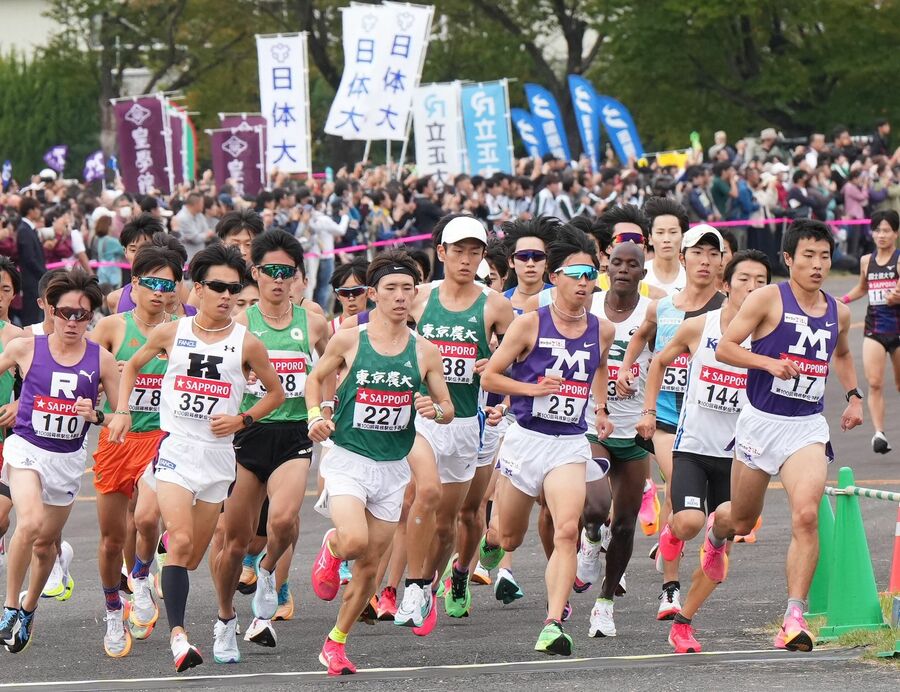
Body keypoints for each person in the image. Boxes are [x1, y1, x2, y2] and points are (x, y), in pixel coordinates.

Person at [108, 244, 284, 672]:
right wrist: (123, 409)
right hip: (176, 449)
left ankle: (223, 619)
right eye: (218, 287)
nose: (226, 296)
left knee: (192, 556)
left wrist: (242, 419)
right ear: (197, 289)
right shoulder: (172, 332)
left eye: (234, 288)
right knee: (181, 540)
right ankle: (179, 639)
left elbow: (276, 394)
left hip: (219, 458)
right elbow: (131, 367)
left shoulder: (248, 343)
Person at [708, 219, 864, 652]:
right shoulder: (767, 299)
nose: (818, 265)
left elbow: (842, 353)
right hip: (760, 423)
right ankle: (716, 531)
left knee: (807, 515)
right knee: (742, 519)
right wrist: (767, 363)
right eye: (808, 256)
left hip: (806, 427)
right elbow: (725, 347)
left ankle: (794, 617)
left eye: (825, 257)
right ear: (789, 259)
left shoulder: (839, 311)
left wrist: (853, 396)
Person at [306, 251, 453, 676]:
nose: (400, 296)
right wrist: (316, 416)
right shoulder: (349, 339)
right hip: (349, 457)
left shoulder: (425, 351)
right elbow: (315, 379)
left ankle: (336, 642)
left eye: (408, 288)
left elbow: (447, 407)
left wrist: (434, 410)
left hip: (392, 467)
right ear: (373, 294)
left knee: (370, 567)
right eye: (391, 288)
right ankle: (333, 548)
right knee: (354, 542)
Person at [479, 224, 614, 656]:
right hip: (525, 439)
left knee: (567, 529)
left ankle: (553, 623)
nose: (584, 283)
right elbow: (490, 376)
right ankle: (488, 544)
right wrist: (531, 389)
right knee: (508, 538)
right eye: (575, 274)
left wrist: (600, 409)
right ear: (555, 277)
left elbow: (599, 368)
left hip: (568, 443)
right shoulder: (528, 325)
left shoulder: (602, 329)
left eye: (590, 274)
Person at [636, 250, 771, 652]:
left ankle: (683, 624)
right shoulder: (699, 326)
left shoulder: (770, 337)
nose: (752, 288)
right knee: (689, 522)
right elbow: (658, 362)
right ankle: (673, 533)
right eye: (744, 279)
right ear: (725, 285)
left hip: (739, 457)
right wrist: (648, 411)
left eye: (761, 281)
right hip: (694, 447)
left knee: (729, 533)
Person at [212, 230, 328, 663]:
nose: (278, 280)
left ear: (297, 276)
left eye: (287, 272)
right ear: (255, 273)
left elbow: (330, 368)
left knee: (283, 520)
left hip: (294, 432)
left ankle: (266, 573)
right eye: (270, 271)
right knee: (234, 542)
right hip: (248, 434)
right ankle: (225, 619)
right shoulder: (240, 325)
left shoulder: (313, 322)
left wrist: (324, 408)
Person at [398, 214, 513, 632]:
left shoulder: (495, 305)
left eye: (474, 252)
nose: (466, 259)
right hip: (422, 417)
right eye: (458, 250)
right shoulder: (419, 298)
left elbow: (522, 357)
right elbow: (385, 338)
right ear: (441, 252)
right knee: (421, 494)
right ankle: (410, 586)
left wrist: (494, 365)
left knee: (452, 521)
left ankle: (442, 578)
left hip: (466, 422)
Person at [0, 269, 120, 654]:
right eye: (65, 312)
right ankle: (9, 606)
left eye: (81, 315)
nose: (72, 322)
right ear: (51, 310)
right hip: (26, 448)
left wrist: (96, 416)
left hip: (66, 460)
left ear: (91, 317)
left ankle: (28, 607)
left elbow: (123, 417)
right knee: (30, 522)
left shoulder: (101, 360)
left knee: (44, 546)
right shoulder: (25, 347)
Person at [617, 224, 726, 621]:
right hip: (666, 419)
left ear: (721, 261)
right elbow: (639, 337)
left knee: (695, 515)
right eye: (697, 253)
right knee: (679, 481)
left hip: (712, 423)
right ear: (683, 258)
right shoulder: (662, 307)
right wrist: (626, 368)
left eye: (713, 254)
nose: (705, 261)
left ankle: (673, 538)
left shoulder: (729, 311)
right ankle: (670, 589)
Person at [89, 243, 184, 656]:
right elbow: (82, 376)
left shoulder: (184, 330)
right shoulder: (112, 328)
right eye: (152, 283)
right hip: (117, 440)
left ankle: (142, 577)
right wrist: (104, 385)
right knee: (112, 540)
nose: (160, 292)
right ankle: (114, 608)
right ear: (134, 284)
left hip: (162, 440)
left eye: (168, 284)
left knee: (147, 517)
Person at [577, 242, 652, 638]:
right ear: (606, 269)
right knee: (594, 507)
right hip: (594, 424)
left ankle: (605, 603)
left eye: (632, 264)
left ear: (642, 272)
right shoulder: (587, 307)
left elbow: (668, 359)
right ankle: (590, 538)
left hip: (635, 431)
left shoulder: (651, 312)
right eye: (617, 263)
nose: (623, 269)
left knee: (623, 525)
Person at [840, 210, 900, 453]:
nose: (881, 235)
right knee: (874, 383)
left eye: (886, 230)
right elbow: (862, 288)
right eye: (877, 230)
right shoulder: (867, 261)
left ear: (896, 233)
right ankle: (879, 434)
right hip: (874, 327)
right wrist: (842, 299)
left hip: (897, 329)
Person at [0, 259, 24, 572]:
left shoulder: (16, 337)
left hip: (5, 438)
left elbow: (36, 383)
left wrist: (18, 405)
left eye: (4, 289)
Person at [105, 215, 164, 313]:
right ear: (125, 251)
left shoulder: (172, 292)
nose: (139, 255)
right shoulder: (115, 299)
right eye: (133, 250)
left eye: (145, 249)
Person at [501, 217, 555, 315]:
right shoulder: (498, 302)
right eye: (523, 256)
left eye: (538, 256)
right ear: (511, 261)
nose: (530, 263)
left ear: (547, 262)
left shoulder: (560, 299)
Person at [643, 197, 687, 294]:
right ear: (650, 238)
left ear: (682, 237)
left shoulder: (692, 276)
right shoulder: (639, 275)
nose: (666, 239)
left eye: (673, 232)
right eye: (660, 232)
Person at [16, 196, 46, 325]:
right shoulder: (24, 230)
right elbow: (29, 259)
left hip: (34, 280)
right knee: (31, 318)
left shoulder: (28, 229)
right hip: (31, 281)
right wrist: (44, 274)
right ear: (30, 211)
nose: (39, 212)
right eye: (37, 209)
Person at [329, 259, 369, 333]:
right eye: (344, 292)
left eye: (357, 291)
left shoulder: (380, 325)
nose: (351, 298)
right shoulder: (329, 330)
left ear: (368, 291)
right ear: (337, 295)